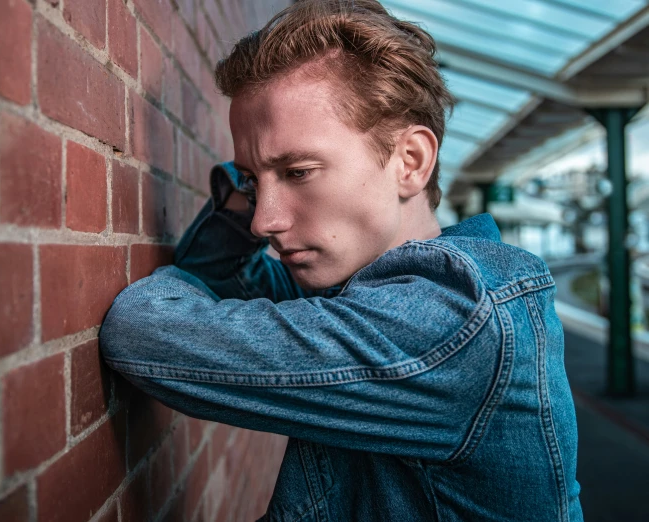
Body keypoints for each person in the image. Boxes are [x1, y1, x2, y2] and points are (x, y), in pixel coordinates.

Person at [99, 0, 583, 520]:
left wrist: (262, 163)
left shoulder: (455, 321)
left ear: (410, 161)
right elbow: (212, 275)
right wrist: (266, 161)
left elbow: (141, 330)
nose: (262, 223)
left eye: (299, 171)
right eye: (251, 183)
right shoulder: (355, 291)